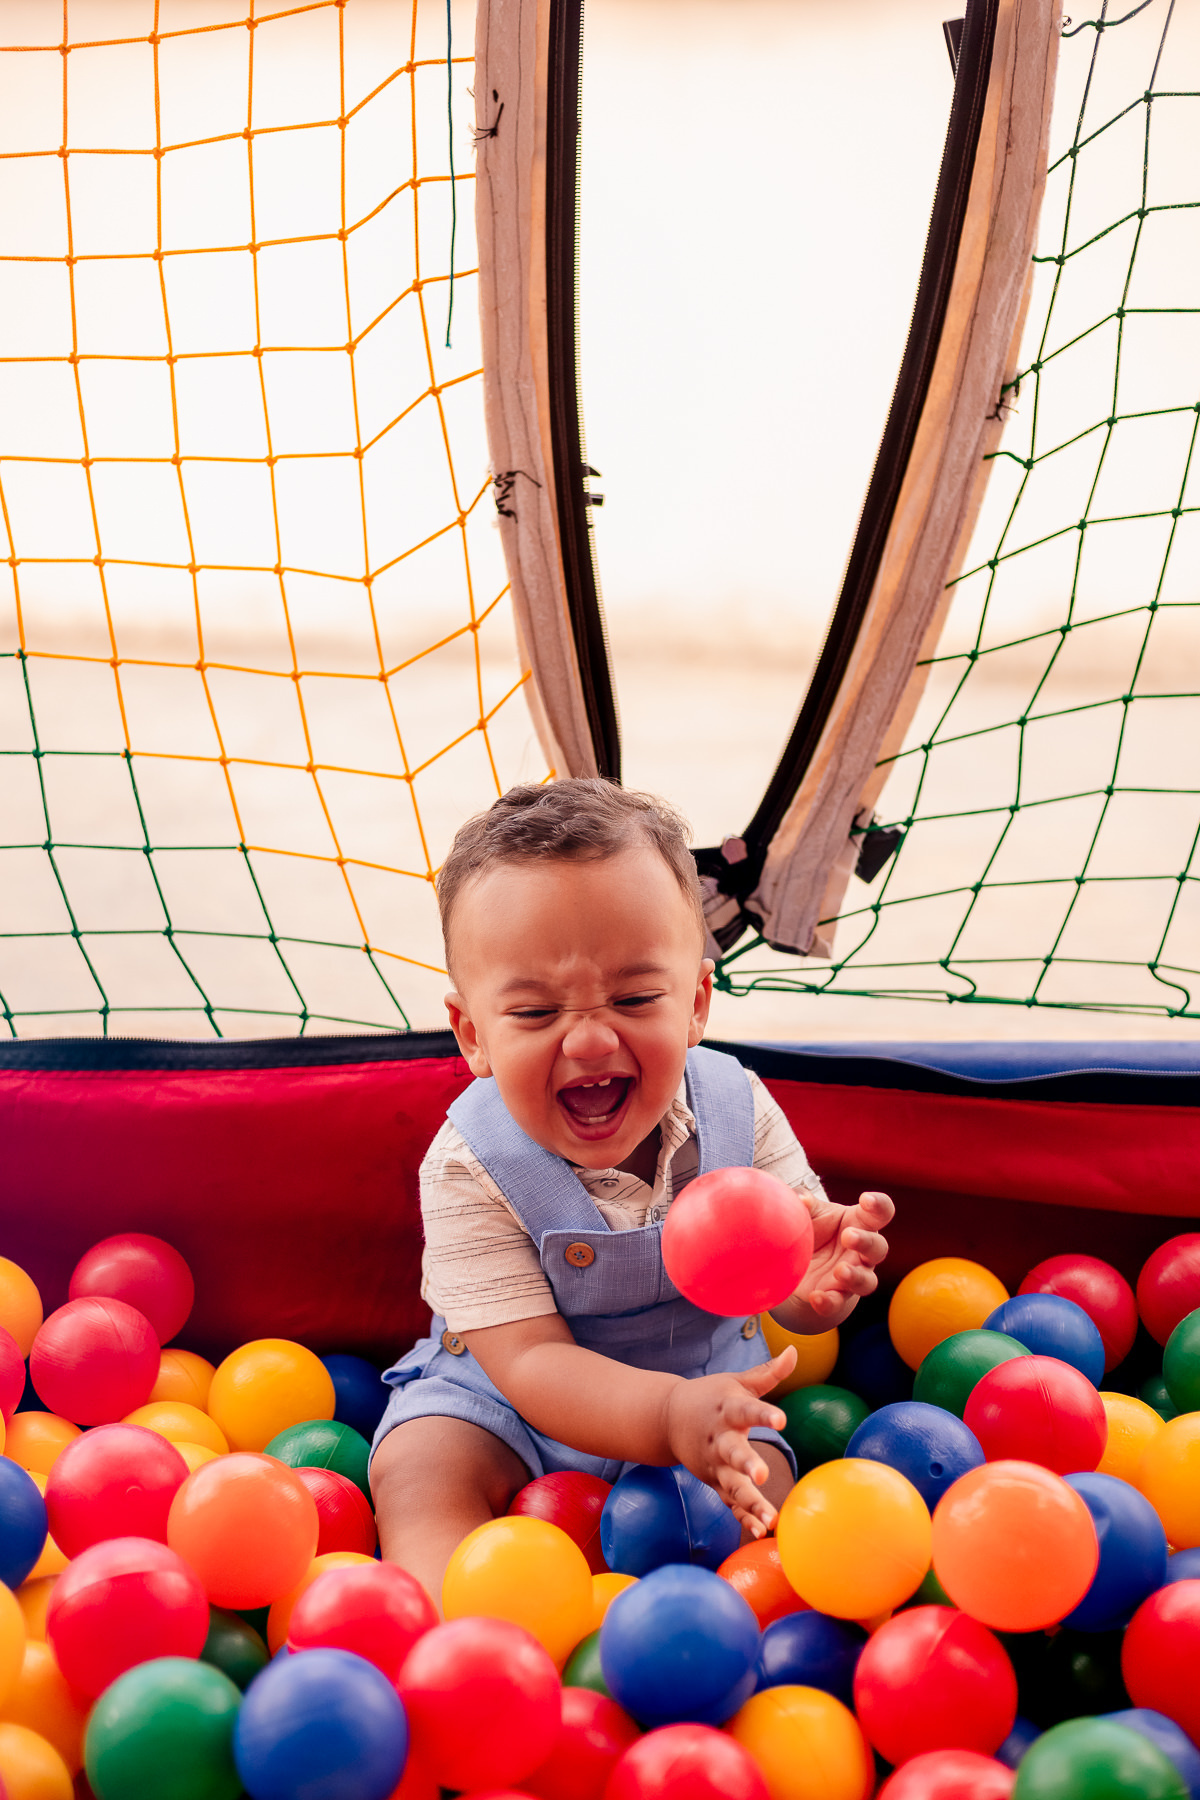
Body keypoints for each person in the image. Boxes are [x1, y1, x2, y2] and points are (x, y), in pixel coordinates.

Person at [370, 780, 893, 1603]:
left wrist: (812, 1288)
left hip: (712, 1399)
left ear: (693, 1005)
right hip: (507, 1407)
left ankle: (762, 1640)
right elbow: (532, 1362)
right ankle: (446, 1626)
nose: (589, 1037)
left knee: (768, 1499)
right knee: (421, 1461)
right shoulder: (467, 1162)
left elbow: (791, 1287)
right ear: (473, 1034)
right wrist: (665, 1418)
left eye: (635, 998)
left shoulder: (735, 1110)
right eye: (537, 1013)